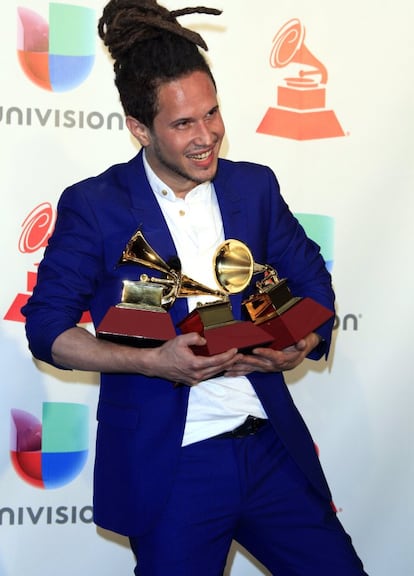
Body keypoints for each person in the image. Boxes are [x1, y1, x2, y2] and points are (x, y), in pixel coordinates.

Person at [22, 1, 368, 574]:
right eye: (183, 124)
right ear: (139, 128)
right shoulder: (95, 206)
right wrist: (155, 362)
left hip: (269, 450)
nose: (207, 136)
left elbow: (314, 288)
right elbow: (47, 331)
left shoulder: (255, 188)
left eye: (212, 114)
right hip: (171, 468)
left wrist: (299, 343)